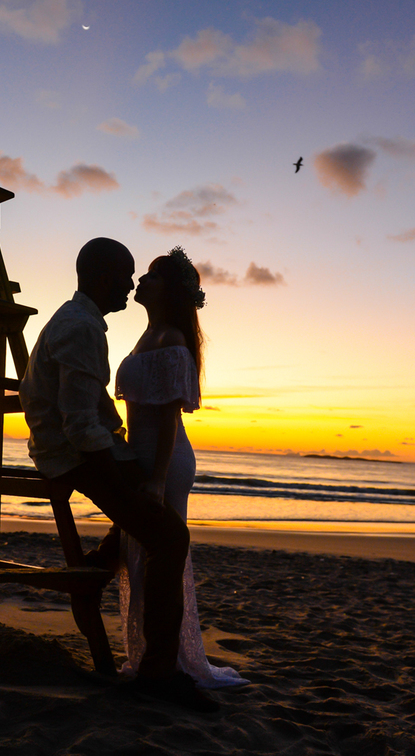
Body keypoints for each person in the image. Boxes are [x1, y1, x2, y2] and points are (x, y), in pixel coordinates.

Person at [17, 237, 220, 713]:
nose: (131, 286)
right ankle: (159, 673)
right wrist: (121, 475)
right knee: (169, 537)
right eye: (127, 276)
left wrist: (132, 465)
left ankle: (91, 576)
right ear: (105, 276)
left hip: (86, 448)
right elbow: (80, 427)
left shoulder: (83, 323)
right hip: (74, 455)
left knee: (143, 523)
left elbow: (96, 409)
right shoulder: (82, 328)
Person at [114, 247, 248, 689]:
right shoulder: (146, 337)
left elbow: (169, 418)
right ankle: (150, 655)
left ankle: (169, 660)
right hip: (141, 455)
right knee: (140, 558)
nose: (141, 281)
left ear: (169, 291)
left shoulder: (172, 340)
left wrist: (155, 478)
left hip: (166, 462)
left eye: (152, 277)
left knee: (162, 559)